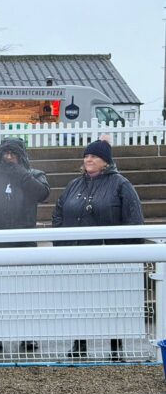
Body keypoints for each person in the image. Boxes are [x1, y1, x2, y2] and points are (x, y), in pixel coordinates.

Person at [52, 139, 144, 359]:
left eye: (94, 156)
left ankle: (115, 347)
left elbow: (134, 220)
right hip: (77, 256)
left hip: (109, 256)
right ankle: (79, 344)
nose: (88, 159)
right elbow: (58, 214)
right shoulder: (74, 185)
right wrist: (64, 244)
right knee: (79, 301)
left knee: (111, 302)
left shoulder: (121, 184)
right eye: (86, 156)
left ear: (106, 161)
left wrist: (122, 251)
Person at [0, 137, 50, 353]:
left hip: (24, 242)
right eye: (5, 154)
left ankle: (28, 336)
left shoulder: (34, 175)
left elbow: (42, 194)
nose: (8, 158)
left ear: (22, 155)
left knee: (26, 292)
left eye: (13, 153)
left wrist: (21, 174)